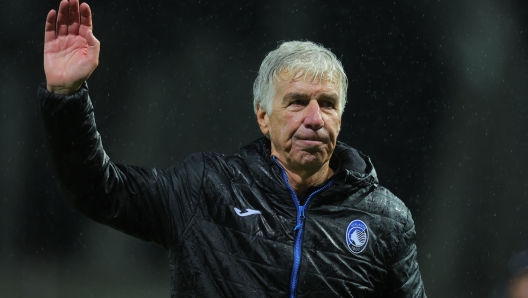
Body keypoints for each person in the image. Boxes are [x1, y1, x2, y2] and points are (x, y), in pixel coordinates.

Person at [40, 0, 426, 297]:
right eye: (296, 102)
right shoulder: (208, 188)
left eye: (327, 104)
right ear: (263, 117)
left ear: (341, 117)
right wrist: (67, 96)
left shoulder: (385, 220)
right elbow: (97, 189)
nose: (314, 118)